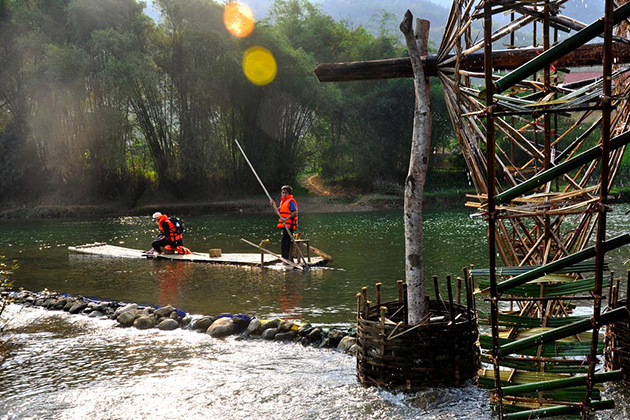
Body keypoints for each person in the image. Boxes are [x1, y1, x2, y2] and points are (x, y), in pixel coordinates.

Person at [269, 185, 298, 260]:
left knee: (286, 242)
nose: (284, 194)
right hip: (284, 225)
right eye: (283, 193)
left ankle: (286, 258)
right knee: (284, 241)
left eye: (285, 193)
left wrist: (286, 218)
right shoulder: (283, 202)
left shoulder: (290, 201)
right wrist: (274, 205)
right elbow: (278, 212)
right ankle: (285, 257)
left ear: (289, 194)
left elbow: (294, 212)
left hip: (289, 225)